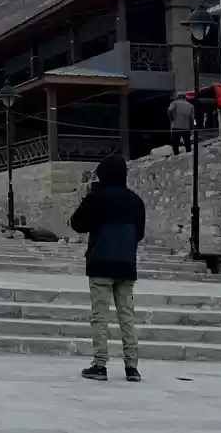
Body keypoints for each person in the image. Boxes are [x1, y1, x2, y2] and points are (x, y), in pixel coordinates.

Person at [70, 154, 146, 383]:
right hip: (126, 263)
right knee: (127, 316)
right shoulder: (136, 201)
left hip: (101, 262)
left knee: (100, 317)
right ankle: (132, 367)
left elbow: (77, 223)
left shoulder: (97, 198)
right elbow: (140, 234)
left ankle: (100, 364)